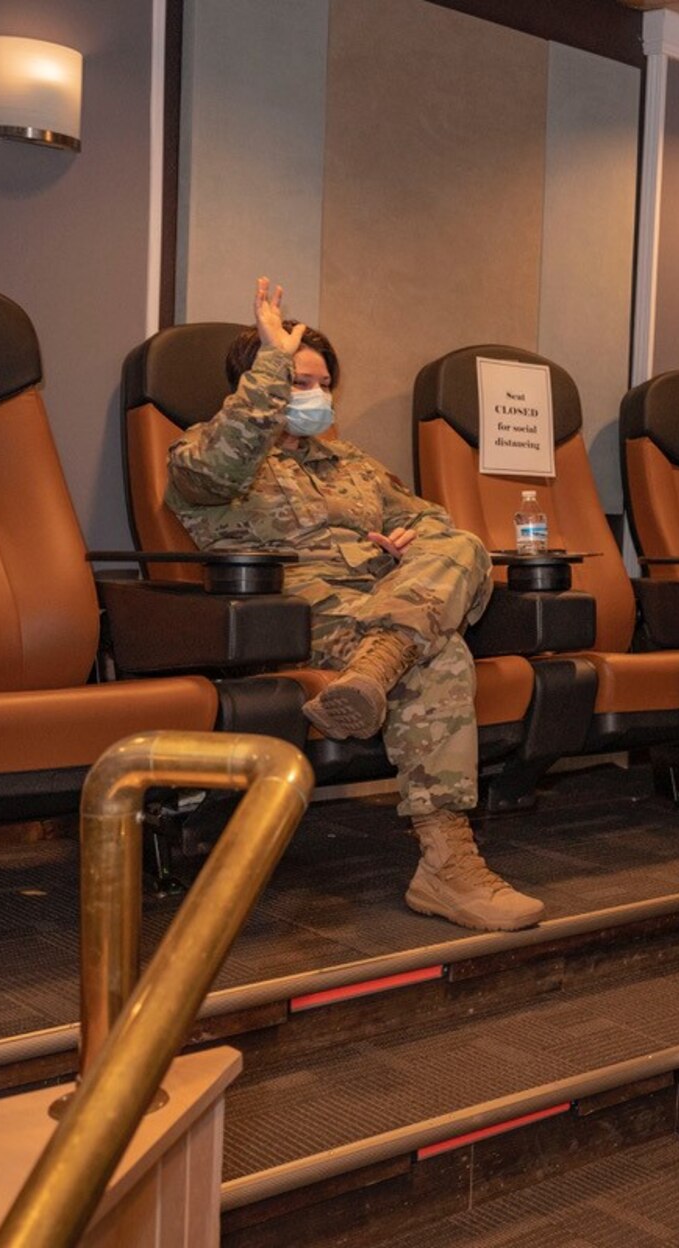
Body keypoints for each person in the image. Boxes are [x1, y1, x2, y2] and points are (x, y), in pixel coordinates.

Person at [165, 278, 544, 933]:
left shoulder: (353, 465)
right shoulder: (207, 458)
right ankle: (447, 868)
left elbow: (434, 522)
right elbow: (223, 459)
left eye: (319, 383)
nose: (312, 396)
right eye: (295, 380)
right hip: (298, 622)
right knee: (442, 651)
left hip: (383, 609)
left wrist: (408, 539)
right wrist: (271, 358)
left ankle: (380, 663)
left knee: (461, 544)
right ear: (255, 382)